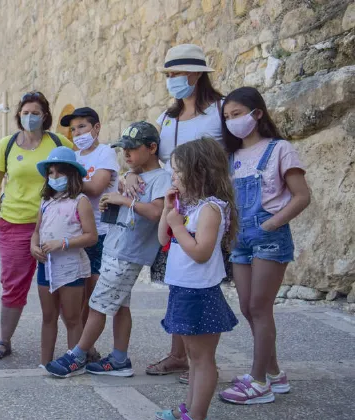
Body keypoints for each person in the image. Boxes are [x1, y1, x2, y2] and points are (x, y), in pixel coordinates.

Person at [45, 122, 170, 378]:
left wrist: (123, 200)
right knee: (120, 306)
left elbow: (157, 212)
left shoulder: (162, 178)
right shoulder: (136, 175)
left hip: (128, 254)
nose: (126, 154)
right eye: (123, 149)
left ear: (152, 148)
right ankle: (119, 358)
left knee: (98, 305)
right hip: (116, 248)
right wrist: (120, 193)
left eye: (132, 149)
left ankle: (77, 355)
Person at [137, 44, 226, 382]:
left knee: (204, 282)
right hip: (176, 206)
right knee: (177, 280)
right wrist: (132, 174)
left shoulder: (219, 111)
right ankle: (179, 356)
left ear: (197, 74)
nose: (172, 80)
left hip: (209, 208)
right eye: (169, 75)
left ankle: (201, 361)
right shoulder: (166, 118)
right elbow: (149, 158)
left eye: (177, 74)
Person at [218, 87, 310, 405]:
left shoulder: (280, 149)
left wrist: (271, 223)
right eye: (227, 117)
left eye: (238, 114)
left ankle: (258, 383)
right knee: (247, 307)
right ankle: (274, 373)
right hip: (240, 240)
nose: (232, 121)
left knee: (259, 307)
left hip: (269, 237)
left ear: (257, 114)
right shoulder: (231, 157)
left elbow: (301, 196)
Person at [0, 91, 73, 361]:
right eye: (25, 113)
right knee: (13, 284)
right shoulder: (7, 144)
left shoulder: (60, 142)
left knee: (63, 283)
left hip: (54, 224)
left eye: (35, 113)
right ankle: (4, 340)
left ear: (45, 115)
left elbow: (80, 172)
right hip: (15, 223)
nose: (30, 117)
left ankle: (78, 346)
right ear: (18, 115)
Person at [156, 138, 239, 420]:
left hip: (200, 292)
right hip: (183, 289)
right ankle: (189, 409)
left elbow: (201, 253)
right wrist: (169, 213)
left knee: (203, 360)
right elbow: (162, 238)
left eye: (178, 171)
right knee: (193, 357)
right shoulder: (188, 207)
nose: (173, 177)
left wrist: (178, 226)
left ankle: (197, 414)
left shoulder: (211, 209)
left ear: (200, 172)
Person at [32, 147, 98, 366]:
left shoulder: (80, 201)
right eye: (51, 173)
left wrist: (64, 243)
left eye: (60, 172)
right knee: (48, 317)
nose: (55, 177)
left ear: (72, 174)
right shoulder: (45, 202)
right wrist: (34, 246)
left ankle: (74, 360)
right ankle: (45, 361)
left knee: (72, 317)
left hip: (71, 267)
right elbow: (36, 231)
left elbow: (91, 236)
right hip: (46, 267)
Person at [60, 107, 119, 331]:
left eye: (82, 126)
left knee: (94, 293)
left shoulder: (105, 152)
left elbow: (95, 187)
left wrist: (67, 182)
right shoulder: (73, 157)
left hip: (102, 232)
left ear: (96, 127)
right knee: (77, 293)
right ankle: (81, 344)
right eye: (73, 129)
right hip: (76, 233)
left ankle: (87, 345)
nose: (77, 133)